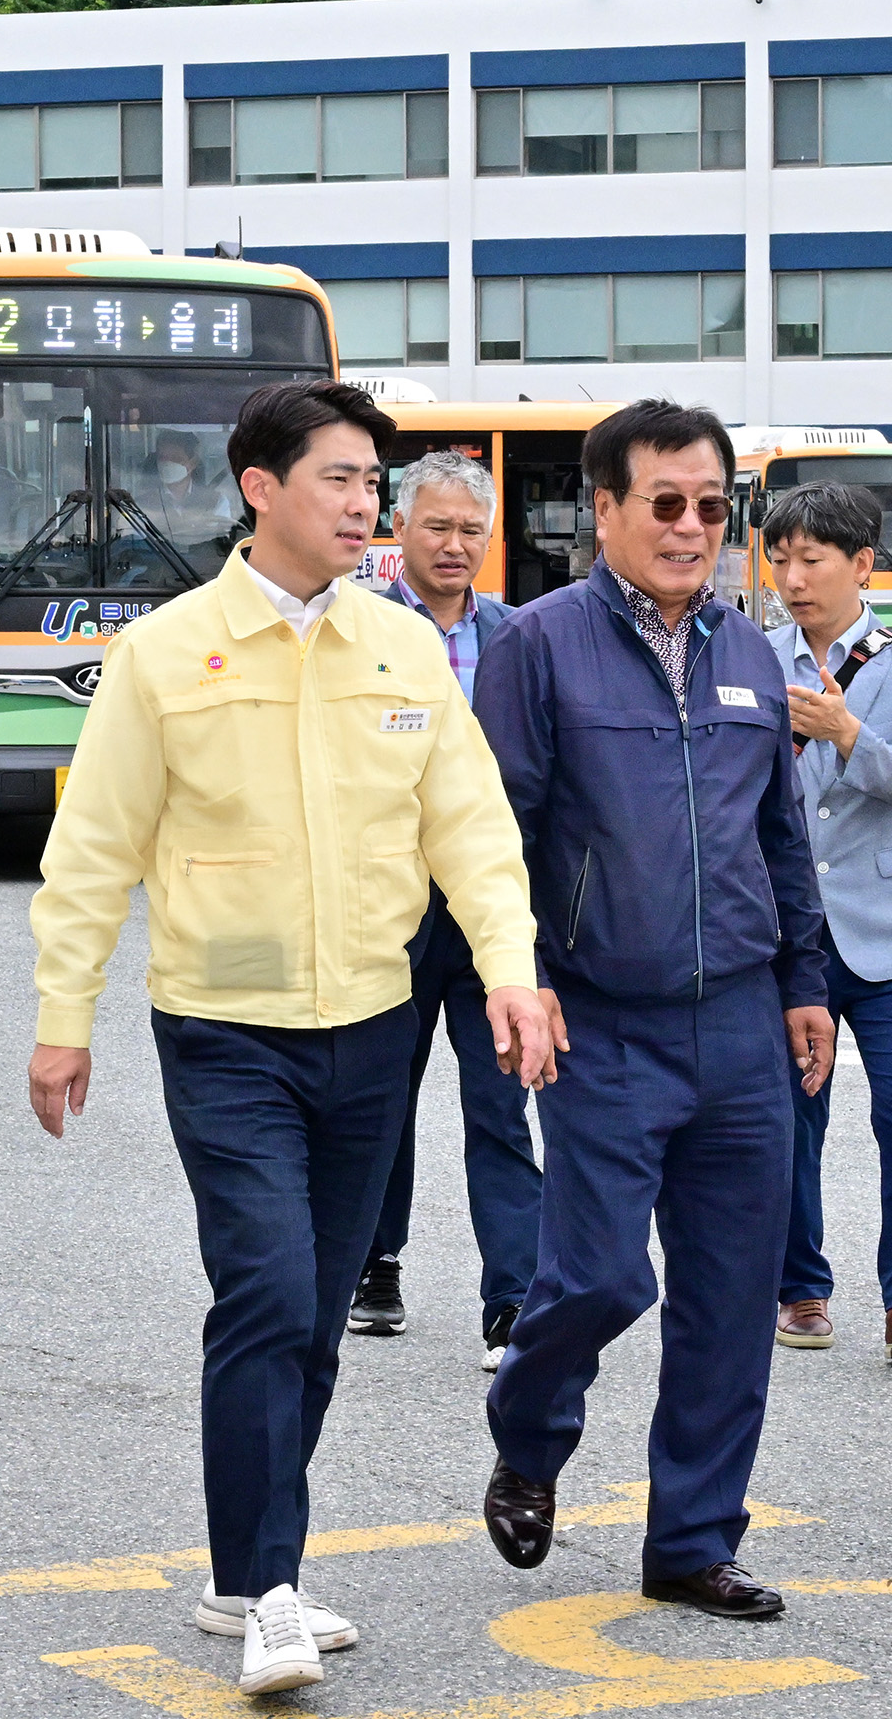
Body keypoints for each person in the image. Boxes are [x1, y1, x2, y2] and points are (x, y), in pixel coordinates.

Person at [26, 384, 550, 1697]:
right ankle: (270, 1589)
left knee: (314, 1319)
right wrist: (62, 1016)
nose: (365, 503)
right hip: (224, 1028)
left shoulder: (401, 652)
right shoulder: (168, 654)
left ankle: (235, 1565)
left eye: (372, 479)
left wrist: (511, 973)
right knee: (263, 1292)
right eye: (341, 478)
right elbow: (93, 849)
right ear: (260, 489)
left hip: (370, 1028)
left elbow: (471, 829)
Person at [475, 399, 834, 1623]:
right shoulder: (537, 645)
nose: (692, 528)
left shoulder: (750, 652)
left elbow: (782, 839)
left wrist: (803, 983)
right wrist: (519, 974)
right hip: (600, 1019)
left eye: (711, 507)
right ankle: (530, 1430)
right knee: (601, 1276)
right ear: (608, 510)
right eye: (665, 504)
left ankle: (692, 1537)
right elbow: (497, 835)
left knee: (733, 1296)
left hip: (738, 1020)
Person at [344, 450, 541, 1370]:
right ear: (400, 531)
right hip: (386, 902)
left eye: (471, 530)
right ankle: (371, 1263)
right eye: (437, 527)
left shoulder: (522, 637)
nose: (455, 545)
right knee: (380, 1096)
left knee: (501, 1102)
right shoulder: (360, 628)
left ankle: (514, 1295)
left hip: (488, 909)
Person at [758, 481, 892, 1363]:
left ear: (863, 566)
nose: (793, 578)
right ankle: (800, 1287)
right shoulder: (751, 654)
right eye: (781, 559)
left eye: (813, 560)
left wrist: (847, 734)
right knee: (790, 1117)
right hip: (783, 931)